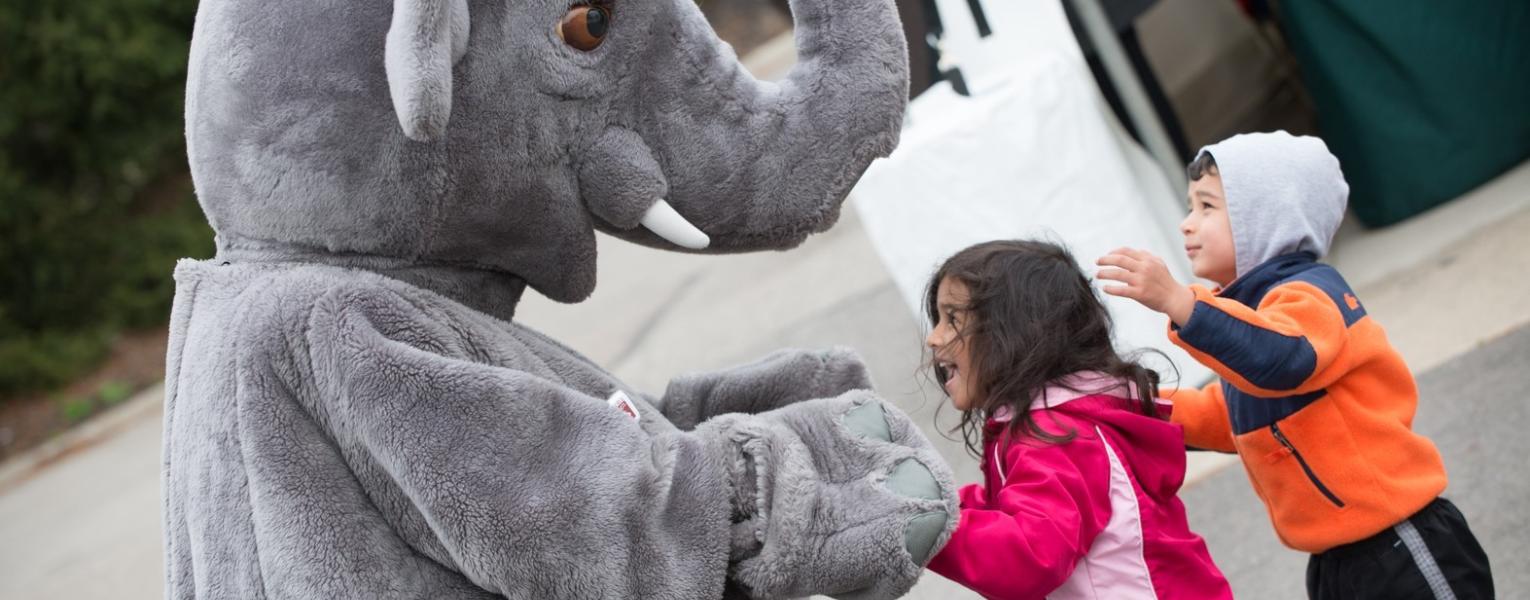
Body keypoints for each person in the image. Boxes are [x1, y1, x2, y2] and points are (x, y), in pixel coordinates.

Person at [1097, 131, 1494, 599]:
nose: (1187, 224)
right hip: (1334, 561)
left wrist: (1181, 303)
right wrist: (1124, 402)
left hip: (1399, 541)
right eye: (1190, 207)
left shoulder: (1309, 295)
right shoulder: (1250, 324)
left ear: (1266, 219)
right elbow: (1225, 416)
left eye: (1207, 207)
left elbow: (1282, 360)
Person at [923, 240, 1231, 599]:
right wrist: (933, 505)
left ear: (1016, 332)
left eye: (953, 319)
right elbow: (1013, 507)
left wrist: (924, 525)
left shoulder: (1059, 437)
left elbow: (1028, 556)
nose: (933, 338)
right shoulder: (1063, 419)